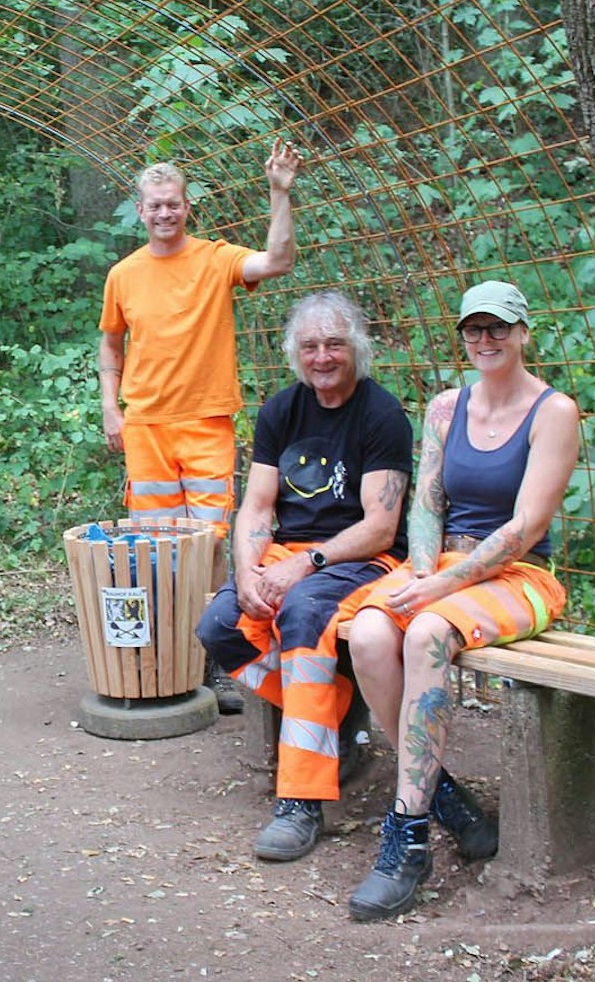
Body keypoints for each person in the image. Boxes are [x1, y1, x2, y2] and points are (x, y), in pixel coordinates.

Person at [343, 279, 581, 921]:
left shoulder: (554, 411)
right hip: (443, 567)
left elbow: (526, 526)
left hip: (519, 575)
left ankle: (408, 836)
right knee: (368, 632)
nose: (485, 339)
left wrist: (440, 590)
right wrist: (423, 573)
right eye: (474, 329)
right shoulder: (447, 407)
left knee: (425, 633)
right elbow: (426, 504)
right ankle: (443, 794)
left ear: (523, 333)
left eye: (498, 327)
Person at [194, 292, 413, 862]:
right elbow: (257, 506)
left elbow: (380, 527)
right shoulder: (281, 410)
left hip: (360, 560)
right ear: (295, 352)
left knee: (303, 614)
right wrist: (247, 570)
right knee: (221, 625)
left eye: (334, 344)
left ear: (356, 348)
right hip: (289, 554)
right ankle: (330, 705)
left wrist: (305, 564)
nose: (322, 357)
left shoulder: (382, 415)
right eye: (310, 346)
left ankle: (301, 800)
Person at [97, 140, 301, 543]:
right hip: (146, 425)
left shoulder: (216, 259)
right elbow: (111, 342)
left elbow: (279, 261)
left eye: (173, 204)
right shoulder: (123, 274)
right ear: (141, 210)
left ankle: (210, 590)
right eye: (155, 206)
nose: (165, 213)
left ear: (187, 207)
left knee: (209, 540)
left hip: (207, 421)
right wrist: (109, 406)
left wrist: (279, 191)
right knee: (153, 543)